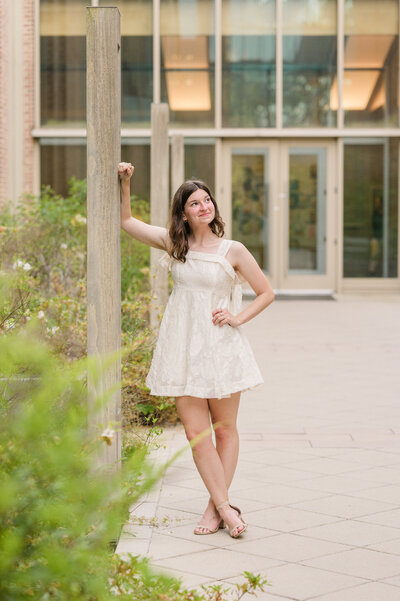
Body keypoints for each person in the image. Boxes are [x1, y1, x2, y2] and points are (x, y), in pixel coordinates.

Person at [119, 161, 275, 538]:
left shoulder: (232, 249)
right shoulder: (176, 244)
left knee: (224, 431)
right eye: (195, 203)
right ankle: (226, 507)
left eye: (207, 201)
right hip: (181, 349)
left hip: (221, 349)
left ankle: (214, 508)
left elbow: (266, 292)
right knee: (196, 435)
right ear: (183, 213)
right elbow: (127, 222)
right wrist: (125, 183)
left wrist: (237, 318)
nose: (204, 207)